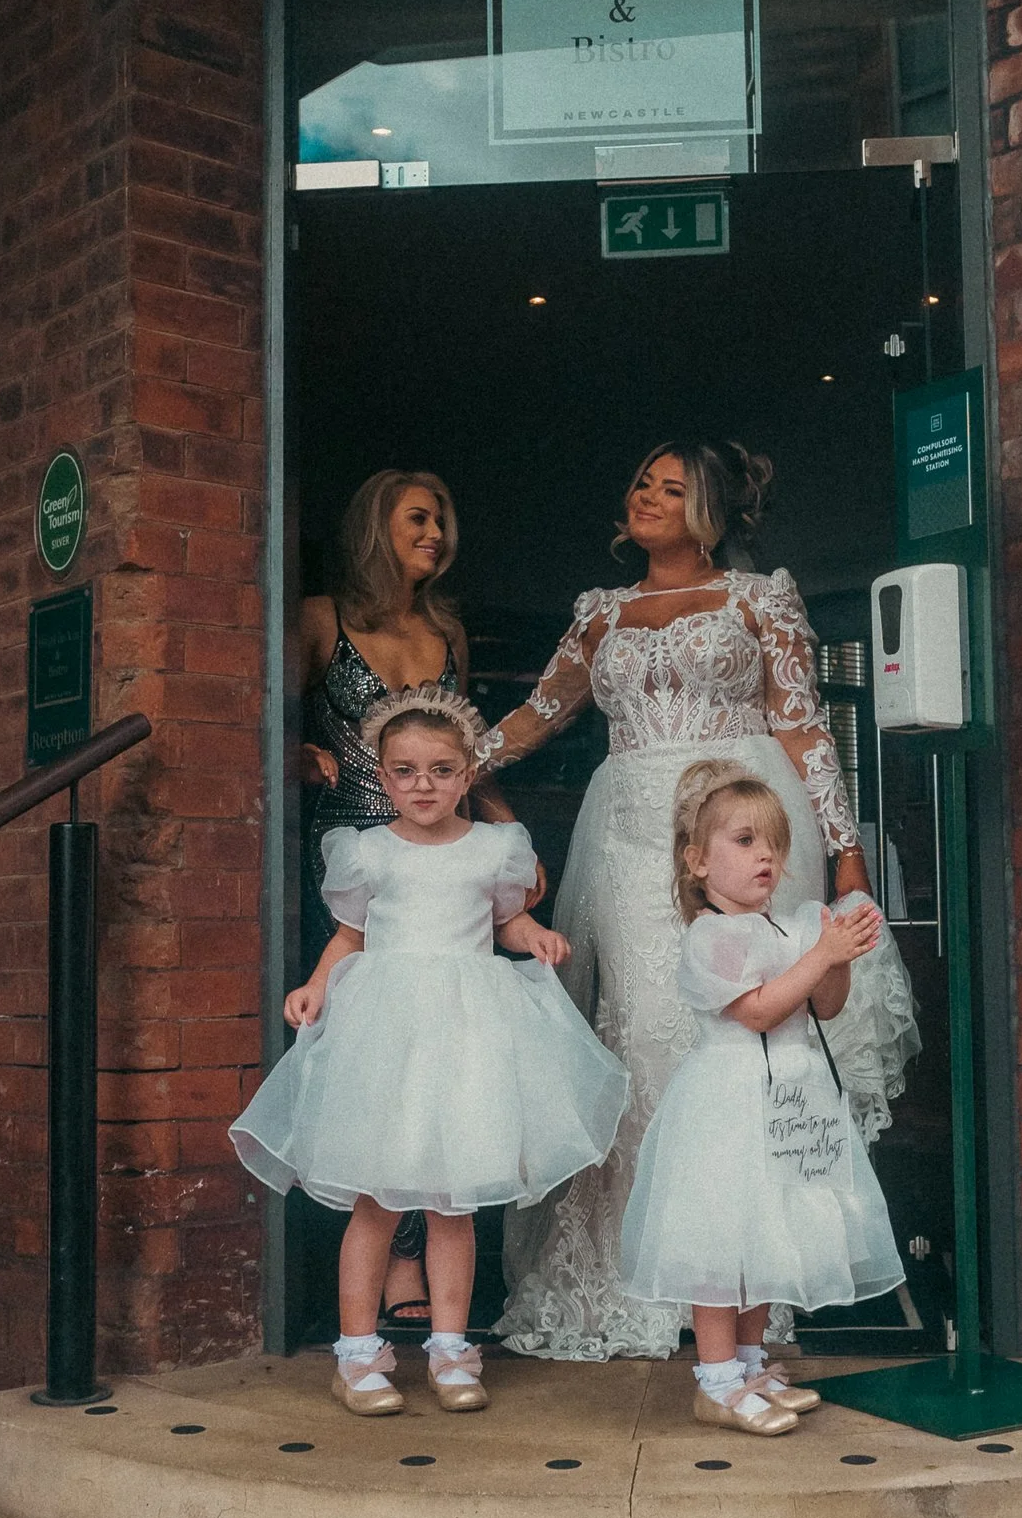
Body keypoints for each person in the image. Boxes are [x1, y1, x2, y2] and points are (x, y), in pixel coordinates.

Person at [474, 437, 918, 1364]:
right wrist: (445, 763)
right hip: (634, 838)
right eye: (641, 480)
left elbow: (800, 724)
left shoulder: (760, 599)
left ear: (709, 509)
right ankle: (645, 1273)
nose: (646, 495)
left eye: (671, 488)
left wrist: (845, 851)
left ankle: (749, 1274)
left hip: (744, 817)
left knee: (756, 1031)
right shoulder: (601, 613)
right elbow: (542, 713)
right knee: (639, 1031)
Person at [232, 688, 626, 1416]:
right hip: (388, 1036)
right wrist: (317, 986)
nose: (423, 785)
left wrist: (532, 937)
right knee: (376, 1199)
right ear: (381, 779)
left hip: (470, 1033)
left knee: (455, 1203)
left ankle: (449, 1346)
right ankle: (356, 1355)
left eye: (441, 770)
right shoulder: (367, 852)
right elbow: (352, 936)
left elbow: (506, 921)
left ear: (469, 772)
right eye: (406, 771)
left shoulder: (495, 849)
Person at [622, 760, 905, 1436]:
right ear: (697, 862)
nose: (766, 857)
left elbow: (823, 1007)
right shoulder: (710, 937)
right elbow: (756, 1011)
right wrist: (817, 955)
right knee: (722, 1240)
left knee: (767, 1234)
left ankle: (749, 1362)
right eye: (744, 842)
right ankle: (715, 1381)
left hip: (793, 1099)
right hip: (730, 1098)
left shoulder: (794, 927)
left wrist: (836, 957)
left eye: (773, 844)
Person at [295, 469, 509, 1330]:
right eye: (419, 517)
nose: (436, 532)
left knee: (444, 1067)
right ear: (375, 526)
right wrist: (296, 751)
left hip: (451, 857)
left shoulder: (447, 628)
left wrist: (507, 834)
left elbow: (466, 750)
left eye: (443, 518)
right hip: (357, 850)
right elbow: (261, 713)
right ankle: (379, 1263)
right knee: (382, 1068)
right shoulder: (320, 617)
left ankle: (418, 1258)